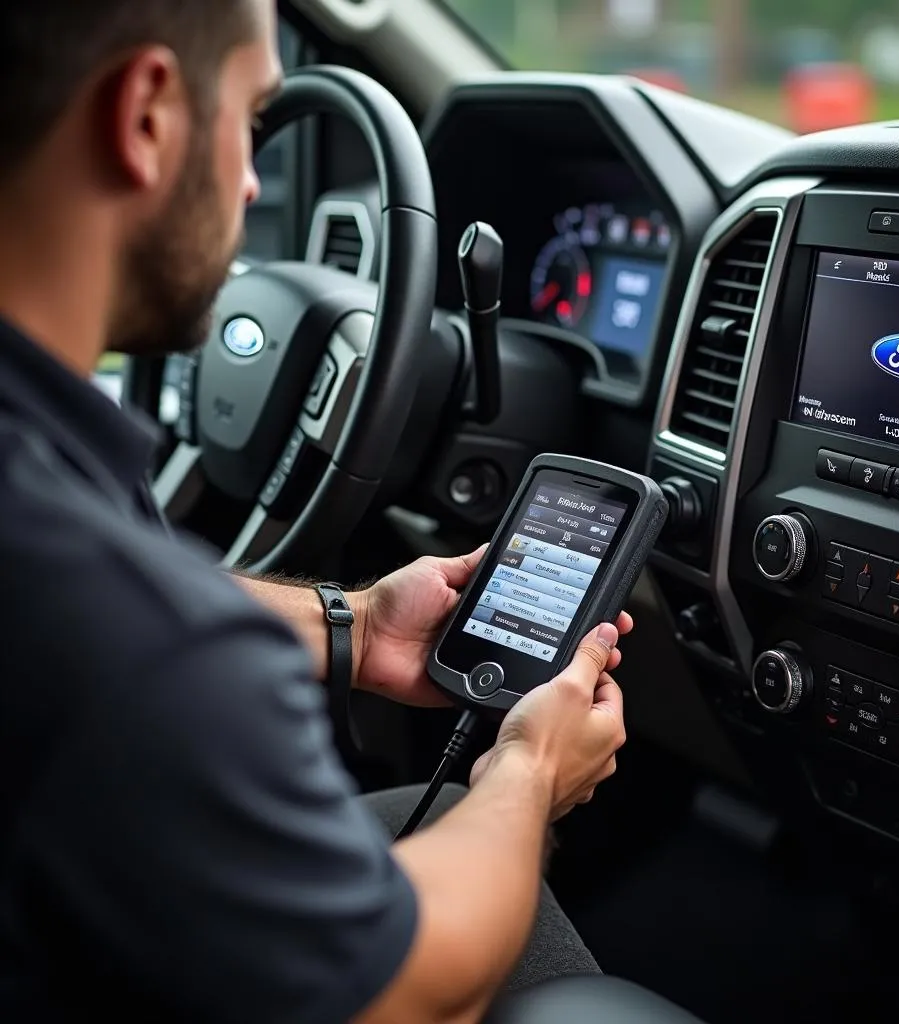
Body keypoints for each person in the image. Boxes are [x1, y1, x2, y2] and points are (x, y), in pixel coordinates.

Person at [0, 2, 706, 1022]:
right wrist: (527, 770)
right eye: (250, 120)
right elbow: (413, 996)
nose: (252, 181)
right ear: (146, 115)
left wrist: (355, 623)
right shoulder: (135, 651)